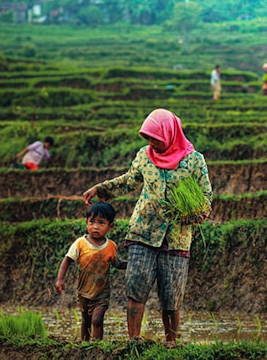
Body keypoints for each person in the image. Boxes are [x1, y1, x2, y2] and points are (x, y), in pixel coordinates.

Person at [82, 108, 213, 345]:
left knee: (172, 296)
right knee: (136, 288)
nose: (152, 142)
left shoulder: (194, 161)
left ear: (170, 134)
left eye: (157, 138)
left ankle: (171, 342)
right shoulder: (145, 156)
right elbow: (128, 180)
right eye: (149, 138)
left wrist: (198, 213)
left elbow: (206, 195)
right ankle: (135, 340)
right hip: (143, 232)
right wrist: (100, 190)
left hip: (177, 237)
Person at [54, 202, 127, 341]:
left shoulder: (111, 246)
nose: (95, 226)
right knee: (86, 320)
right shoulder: (80, 243)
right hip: (84, 292)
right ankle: (84, 345)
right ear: (86, 222)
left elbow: (118, 263)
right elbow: (67, 260)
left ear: (110, 226)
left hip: (102, 293)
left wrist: (132, 264)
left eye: (101, 223)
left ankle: (97, 345)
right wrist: (60, 279)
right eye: (91, 222)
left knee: (97, 319)